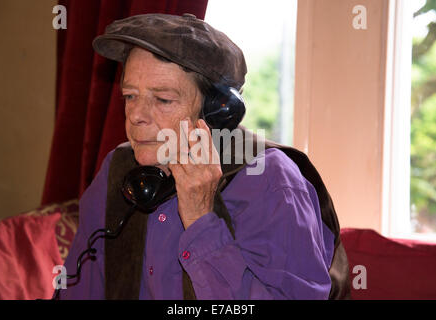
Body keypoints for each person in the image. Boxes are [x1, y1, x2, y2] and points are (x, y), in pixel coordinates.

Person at [55, 13, 350, 300]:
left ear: (217, 113)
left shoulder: (272, 182)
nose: (136, 115)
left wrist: (201, 219)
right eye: (130, 96)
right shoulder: (116, 171)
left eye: (163, 99)